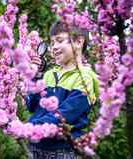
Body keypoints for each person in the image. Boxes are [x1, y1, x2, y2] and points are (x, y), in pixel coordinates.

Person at [25, 20, 99, 159]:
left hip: (62, 150)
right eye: (52, 43)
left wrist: (28, 127)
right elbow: (31, 106)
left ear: (78, 42)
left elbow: (65, 115)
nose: (54, 47)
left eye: (59, 41)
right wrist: (35, 76)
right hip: (35, 146)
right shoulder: (48, 75)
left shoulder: (84, 78)